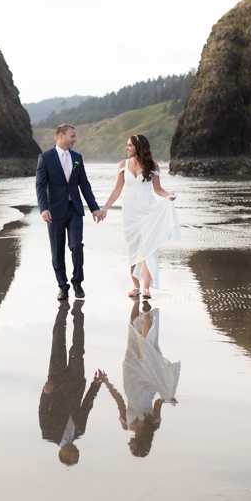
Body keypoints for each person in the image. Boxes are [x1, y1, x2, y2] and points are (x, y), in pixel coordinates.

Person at [98, 134, 180, 299]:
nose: (126, 148)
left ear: (138, 147)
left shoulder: (153, 165)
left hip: (148, 210)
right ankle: (135, 286)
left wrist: (168, 195)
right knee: (133, 247)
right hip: (130, 212)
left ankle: (145, 288)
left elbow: (158, 189)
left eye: (129, 145)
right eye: (127, 145)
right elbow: (117, 190)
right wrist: (105, 208)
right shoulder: (123, 164)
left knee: (148, 248)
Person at [99, 300, 180, 458]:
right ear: (141, 444)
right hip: (146, 387)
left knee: (132, 343)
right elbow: (157, 403)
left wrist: (106, 383)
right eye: (132, 446)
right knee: (147, 349)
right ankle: (145, 313)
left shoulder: (125, 424)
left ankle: (136, 302)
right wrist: (167, 399)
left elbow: (119, 401)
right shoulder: (153, 425)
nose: (129, 443)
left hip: (130, 381)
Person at [35, 124, 103, 301]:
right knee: (57, 250)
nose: (75, 139)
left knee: (76, 246)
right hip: (54, 211)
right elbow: (40, 186)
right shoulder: (45, 158)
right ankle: (62, 286)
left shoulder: (77, 157)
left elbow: (84, 184)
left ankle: (77, 283)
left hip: (74, 209)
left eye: (75, 136)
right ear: (61, 136)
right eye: (72, 136)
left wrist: (94, 207)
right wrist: (44, 209)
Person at [39, 301, 102, 466]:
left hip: (56, 383)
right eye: (78, 455)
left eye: (75, 456)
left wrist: (45, 393)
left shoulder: (48, 434)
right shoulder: (80, 431)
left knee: (58, 343)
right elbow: (86, 407)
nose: (78, 452)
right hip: (75, 382)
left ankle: (63, 309)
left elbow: (43, 411)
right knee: (78, 349)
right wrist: (95, 385)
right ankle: (77, 312)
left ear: (63, 454)